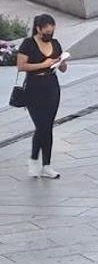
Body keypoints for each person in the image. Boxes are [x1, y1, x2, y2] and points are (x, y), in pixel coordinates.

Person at [16, 14, 67, 179]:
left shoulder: (55, 43)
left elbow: (63, 69)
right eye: (46, 32)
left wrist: (61, 63)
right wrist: (43, 64)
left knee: (48, 125)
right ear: (38, 29)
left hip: (51, 86)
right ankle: (33, 160)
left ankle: (46, 165)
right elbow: (21, 66)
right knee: (41, 125)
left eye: (51, 32)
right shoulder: (28, 44)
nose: (49, 35)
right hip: (34, 87)